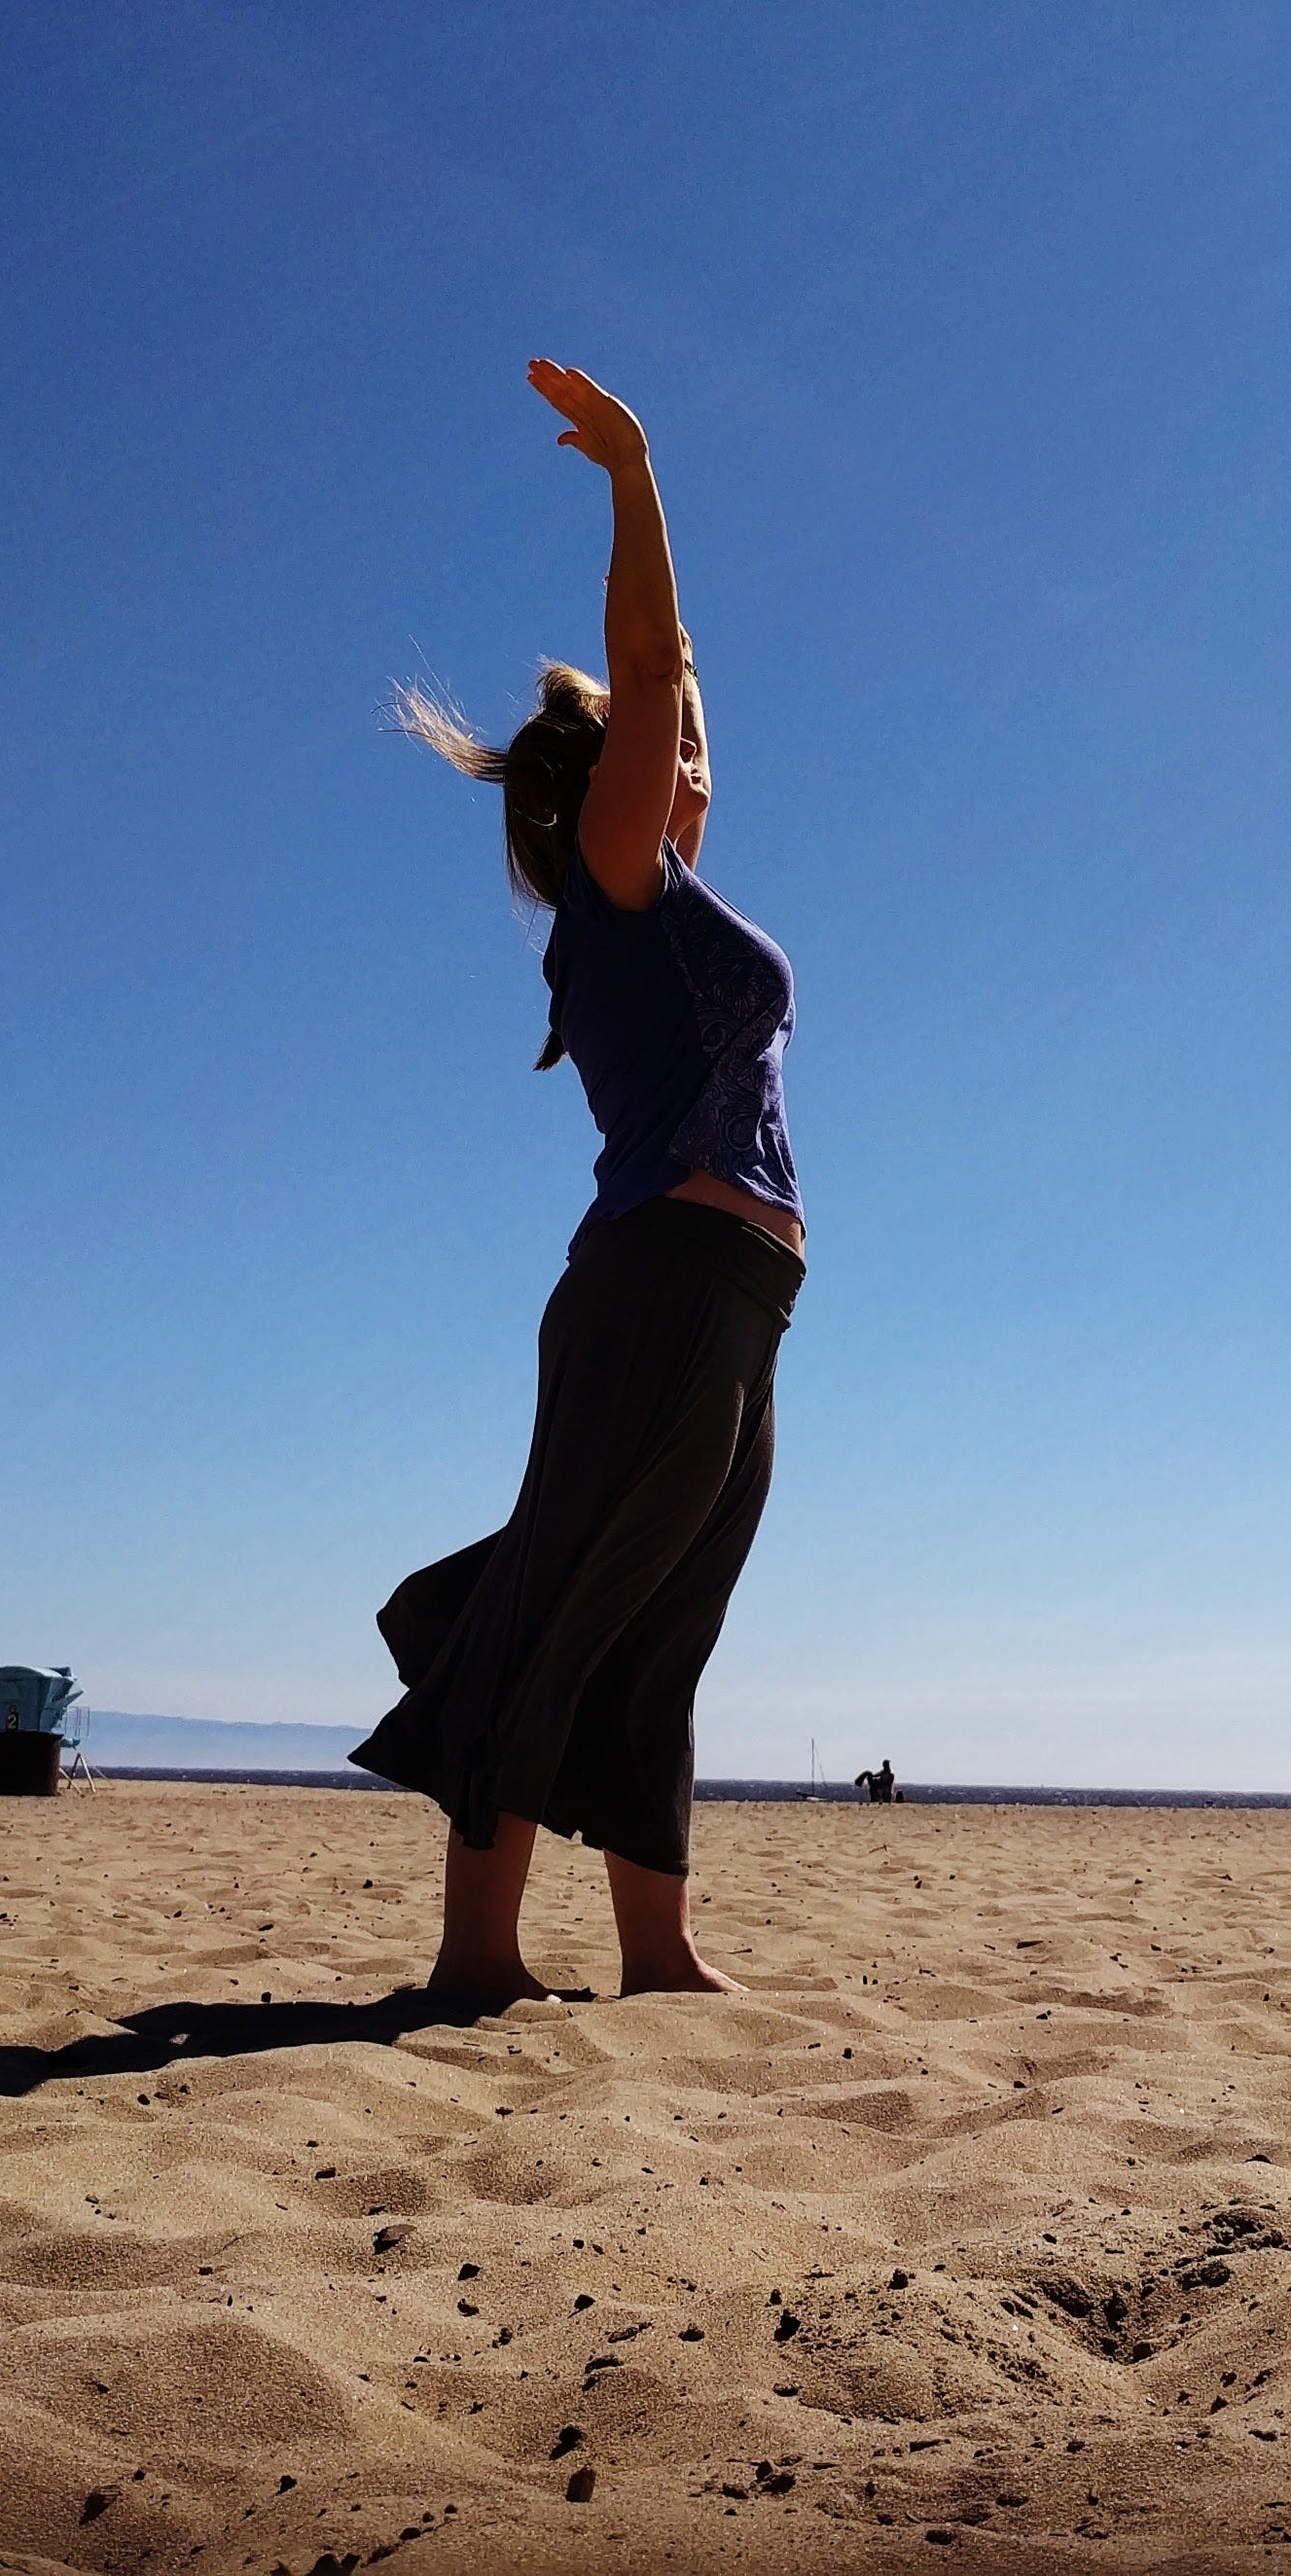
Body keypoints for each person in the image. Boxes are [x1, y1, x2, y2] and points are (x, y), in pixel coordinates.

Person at [351, 362, 804, 2004]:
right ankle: (475, 1956)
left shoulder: (656, 901)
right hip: (659, 1291)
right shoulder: (618, 880)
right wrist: (635, 475)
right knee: (558, 1606)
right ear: (623, 771)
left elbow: (674, 693)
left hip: (738, 1306)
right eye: (678, 740)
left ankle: (656, 1951)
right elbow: (654, 662)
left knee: (663, 1621)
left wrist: (676, 692)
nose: (699, 754)